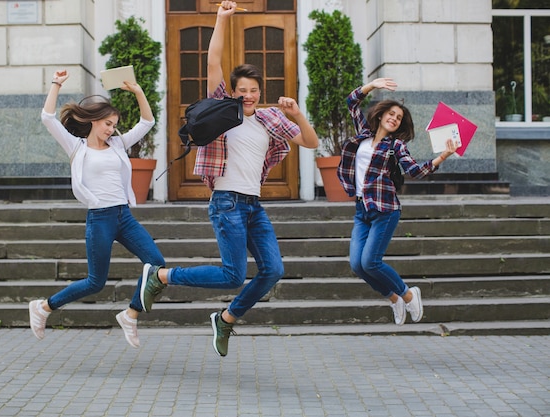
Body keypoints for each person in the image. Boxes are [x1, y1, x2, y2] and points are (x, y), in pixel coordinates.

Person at [137, 0, 319, 357]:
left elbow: (309, 142)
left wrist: (298, 114)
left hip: (252, 205)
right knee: (233, 275)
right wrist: (221, 18)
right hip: (226, 202)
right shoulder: (223, 112)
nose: (248, 96)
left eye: (253, 90)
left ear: (260, 92)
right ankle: (160, 276)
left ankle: (226, 318)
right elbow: (212, 61)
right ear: (233, 92)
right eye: (242, 90)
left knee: (273, 270)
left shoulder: (270, 119)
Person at [29, 69, 165, 347]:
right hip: (100, 218)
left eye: (114, 124)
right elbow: (47, 118)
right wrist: (56, 84)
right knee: (95, 282)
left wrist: (138, 91)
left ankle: (130, 314)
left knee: (156, 264)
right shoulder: (76, 147)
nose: (111, 129)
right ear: (92, 121)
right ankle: (44, 307)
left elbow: (147, 122)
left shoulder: (118, 144)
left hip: (123, 217)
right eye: (106, 123)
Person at [339, 77, 459, 325]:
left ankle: (408, 293)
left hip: (385, 210)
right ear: (381, 115)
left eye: (399, 118)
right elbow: (352, 102)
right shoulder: (364, 133)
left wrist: (443, 156)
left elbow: (415, 171)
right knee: (357, 265)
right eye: (391, 114)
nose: (394, 118)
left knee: (371, 262)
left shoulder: (396, 146)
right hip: (362, 209)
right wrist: (372, 85)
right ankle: (394, 298)